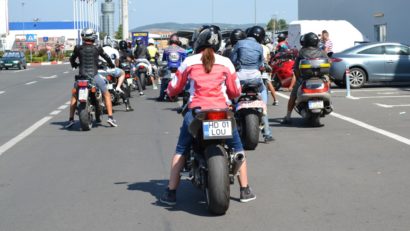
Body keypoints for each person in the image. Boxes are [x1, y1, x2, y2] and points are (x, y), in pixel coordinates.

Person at [160, 25, 256, 205]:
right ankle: (245, 190)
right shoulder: (226, 62)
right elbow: (235, 91)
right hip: (222, 112)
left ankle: (171, 192)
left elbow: (175, 86)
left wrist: (170, 93)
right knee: (237, 148)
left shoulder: (189, 61)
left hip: (197, 112)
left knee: (181, 149)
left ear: (198, 42)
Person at [65, 28, 118, 128]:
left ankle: (71, 119)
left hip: (81, 77)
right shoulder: (97, 47)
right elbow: (106, 57)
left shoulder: (78, 48)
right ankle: (110, 118)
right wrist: (111, 65)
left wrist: (74, 64)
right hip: (94, 76)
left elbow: (72, 59)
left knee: (74, 96)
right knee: (106, 94)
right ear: (93, 37)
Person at [231, 26, 274, 142]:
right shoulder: (260, 47)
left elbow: (233, 61)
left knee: (230, 100)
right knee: (263, 95)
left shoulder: (239, 44)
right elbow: (261, 64)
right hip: (256, 78)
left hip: (240, 78)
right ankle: (267, 133)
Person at [282, 32, 329, 124]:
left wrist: (299, 77)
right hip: (320, 78)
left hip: (304, 78)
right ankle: (328, 103)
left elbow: (296, 68)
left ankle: (288, 116)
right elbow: (329, 63)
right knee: (328, 85)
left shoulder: (302, 52)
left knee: (293, 95)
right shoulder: (322, 52)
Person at [101, 39, 133, 111]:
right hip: (112, 71)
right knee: (120, 82)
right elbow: (117, 64)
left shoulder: (99, 49)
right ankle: (127, 105)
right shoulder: (114, 51)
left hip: (101, 72)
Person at [157, 34, 187, 101]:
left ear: (170, 41)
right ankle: (185, 95)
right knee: (185, 80)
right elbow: (185, 60)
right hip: (179, 68)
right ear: (178, 41)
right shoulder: (182, 50)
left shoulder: (166, 50)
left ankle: (161, 96)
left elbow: (164, 60)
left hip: (169, 67)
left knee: (163, 81)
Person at [261, 35, 279, 106]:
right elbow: (268, 58)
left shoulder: (255, 46)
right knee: (269, 82)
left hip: (257, 68)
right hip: (265, 67)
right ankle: (275, 99)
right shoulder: (266, 48)